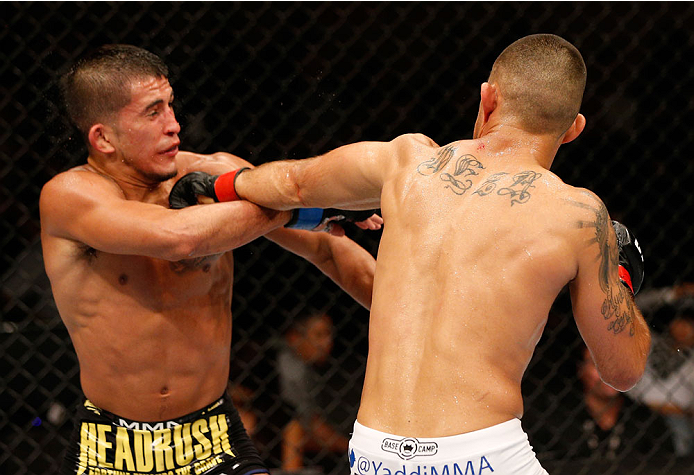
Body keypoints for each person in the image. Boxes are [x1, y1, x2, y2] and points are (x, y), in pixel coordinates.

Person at [173, 34, 651, 474]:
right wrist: (622, 282)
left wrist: (217, 184)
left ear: (488, 97)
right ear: (574, 129)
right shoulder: (579, 215)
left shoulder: (406, 161)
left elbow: (292, 184)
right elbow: (623, 370)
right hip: (481, 455)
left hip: (373, 455)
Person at [39, 44, 380, 475]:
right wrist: (301, 210)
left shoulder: (216, 172)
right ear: (103, 138)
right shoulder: (69, 197)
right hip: (110, 449)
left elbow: (328, 249)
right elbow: (177, 238)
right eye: (152, 112)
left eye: (171, 106)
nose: (174, 125)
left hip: (213, 439)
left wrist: (406, 320)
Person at [277, 312, 350, 471]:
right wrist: (350, 446)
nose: (327, 342)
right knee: (294, 429)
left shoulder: (302, 367)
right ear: (295, 338)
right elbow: (306, 424)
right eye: (319, 335)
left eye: (329, 335)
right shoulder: (289, 365)